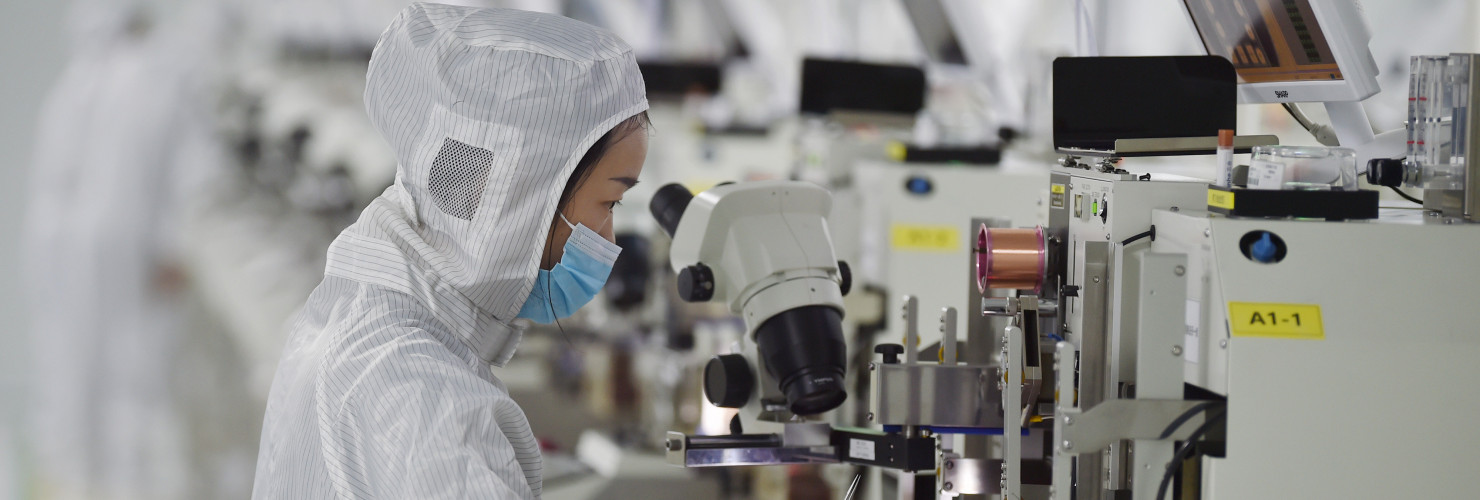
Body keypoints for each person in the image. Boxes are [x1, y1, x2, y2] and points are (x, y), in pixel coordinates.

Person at [251, 3, 649, 498]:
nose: (609, 240)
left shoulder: (379, 329)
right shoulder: (416, 389)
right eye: (610, 201)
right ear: (526, 195)